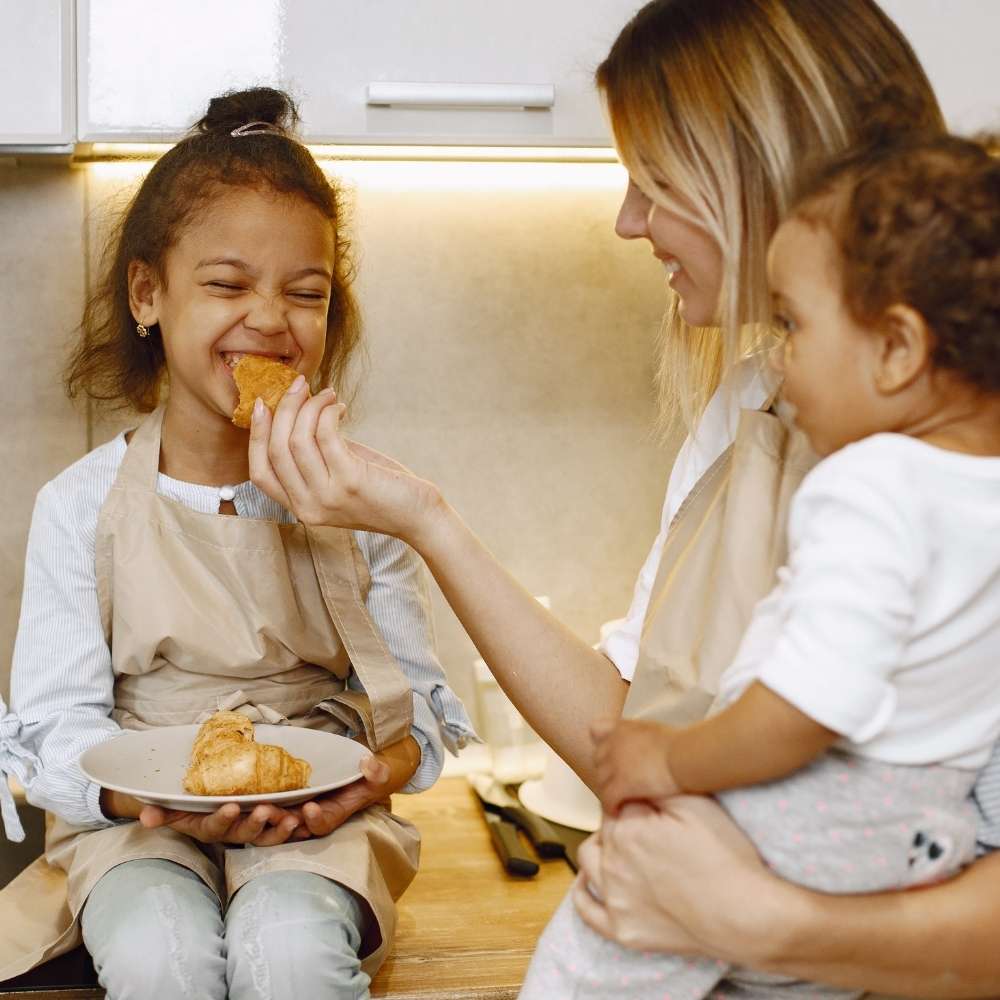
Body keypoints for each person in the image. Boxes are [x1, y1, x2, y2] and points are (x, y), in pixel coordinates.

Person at [242, 1, 1000, 995]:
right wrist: (421, 516)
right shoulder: (750, 408)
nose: (627, 220)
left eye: (653, 182)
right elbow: (632, 729)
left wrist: (768, 925)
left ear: (759, 173)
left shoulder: (956, 479)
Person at [0, 87, 474, 999]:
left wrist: (369, 774)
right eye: (226, 284)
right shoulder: (79, 504)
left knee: (290, 959)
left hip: (322, 821)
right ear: (149, 293)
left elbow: (419, 716)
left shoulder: (360, 501)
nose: (270, 318)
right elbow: (54, 733)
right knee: (157, 961)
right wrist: (146, 794)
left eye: (307, 293)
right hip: (137, 821)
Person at [520, 131, 1000, 999]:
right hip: (914, 842)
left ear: (897, 349)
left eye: (794, 324)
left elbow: (814, 704)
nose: (779, 357)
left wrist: (668, 761)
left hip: (810, 821)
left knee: (595, 936)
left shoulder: (871, 483)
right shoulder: (981, 493)